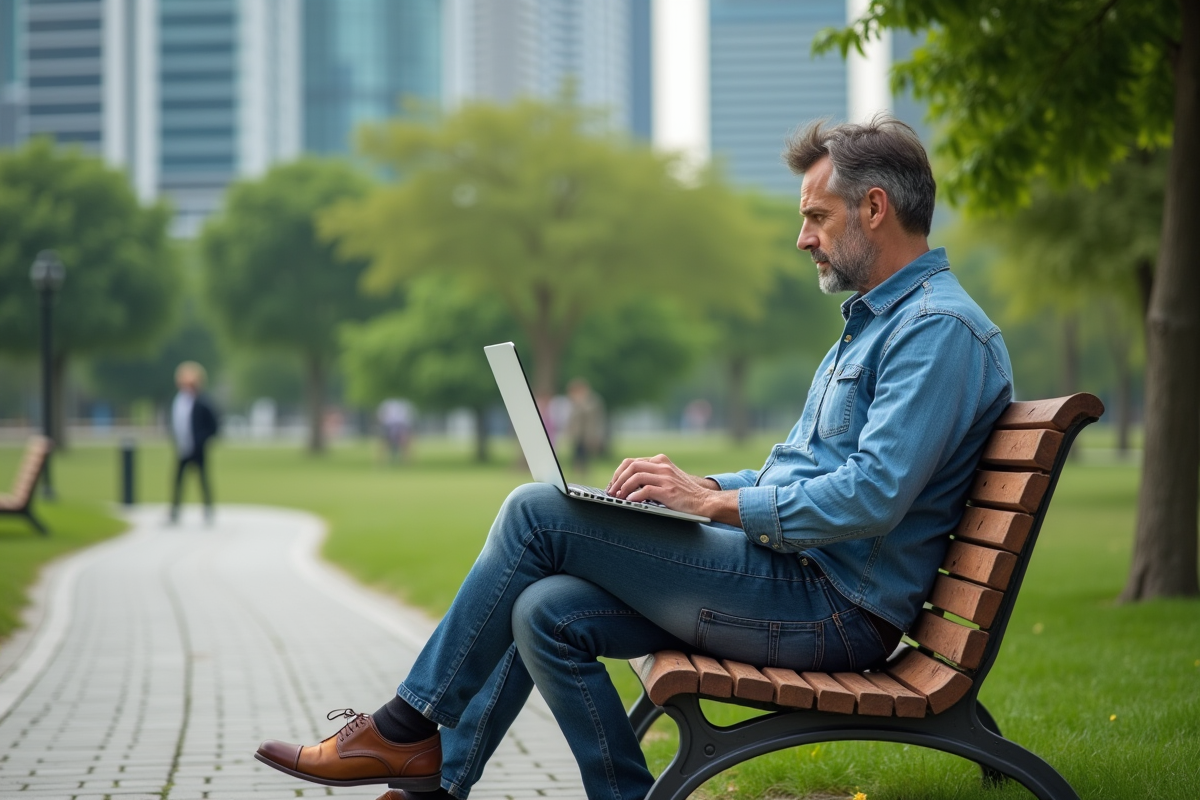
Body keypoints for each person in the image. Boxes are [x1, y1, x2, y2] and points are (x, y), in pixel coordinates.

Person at [255, 116, 1013, 800]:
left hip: (832, 607)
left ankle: (404, 727)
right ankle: (473, 787)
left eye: (815, 216)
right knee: (542, 608)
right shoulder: (874, 324)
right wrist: (704, 484)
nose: (803, 237)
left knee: (535, 514)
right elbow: (801, 467)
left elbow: (873, 495)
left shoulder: (936, 330)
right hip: (798, 578)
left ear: (874, 208)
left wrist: (716, 507)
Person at [168, 361, 219, 524]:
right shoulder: (178, 401)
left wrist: (200, 440)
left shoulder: (203, 402)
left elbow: (214, 426)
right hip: (182, 447)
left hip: (197, 448)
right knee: (178, 480)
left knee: (203, 479)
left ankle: (208, 510)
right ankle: (174, 511)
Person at [564, 377, 606, 474]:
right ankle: (576, 472)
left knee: (585, 456)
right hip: (577, 434)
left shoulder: (592, 401)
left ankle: (583, 473)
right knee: (576, 455)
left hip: (588, 434)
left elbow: (595, 419)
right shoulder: (573, 403)